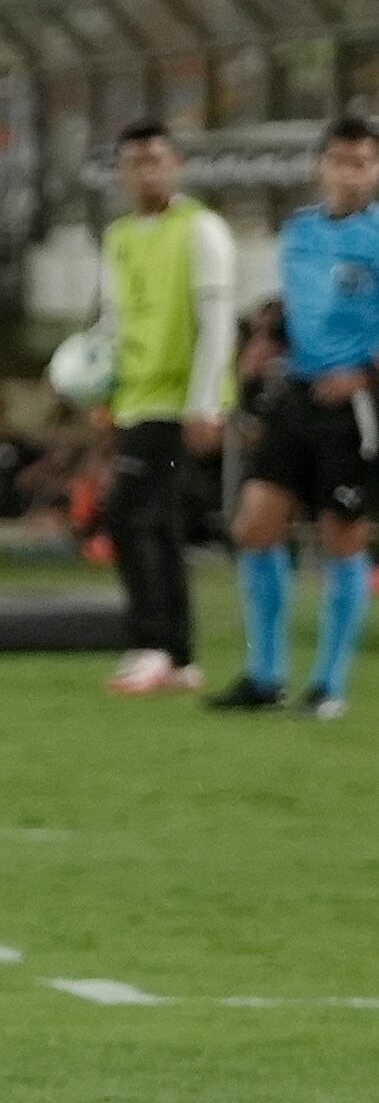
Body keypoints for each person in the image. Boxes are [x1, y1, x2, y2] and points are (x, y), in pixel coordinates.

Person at [210, 115, 379, 720]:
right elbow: (303, 305)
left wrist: (364, 375)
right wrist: (269, 338)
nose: (352, 173)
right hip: (297, 398)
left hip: (354, 407)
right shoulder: (300, 232)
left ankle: (328, 685)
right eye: (341, 161)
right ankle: (266, 674)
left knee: (342, 539)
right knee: (254, 527)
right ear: (322, 166)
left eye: (364, 162)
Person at [95, 120, 234, 697]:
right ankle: (178, 656)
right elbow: (111, 321)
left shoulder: (201, 229)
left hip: (176, 405)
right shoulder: (121, 236)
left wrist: (205, 403)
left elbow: (217, 321)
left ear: (175, 164)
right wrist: (98, 389)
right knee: (163, 524)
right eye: (134, 162)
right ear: (123, 173)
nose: (145, 172)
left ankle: (151, 644)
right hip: (134, 399)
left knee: (128, 516)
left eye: (155, 159)